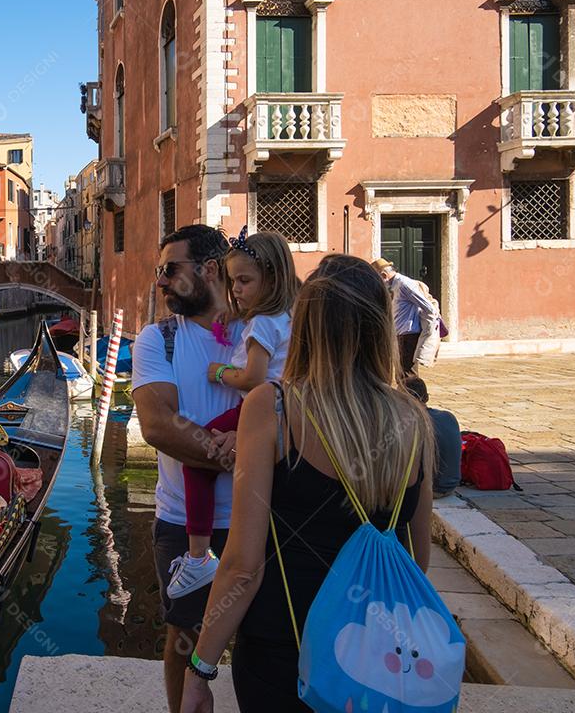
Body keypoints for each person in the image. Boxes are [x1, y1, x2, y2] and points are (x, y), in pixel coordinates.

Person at [180, 255, 434, 713]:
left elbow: (242, 565)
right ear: (379, 327)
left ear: (307, 325)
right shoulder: (413, 420)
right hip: (377, 653)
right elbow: (418, 557)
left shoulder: (273, 408)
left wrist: (200, 666)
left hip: (285, 650)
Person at [131, 224, 242, 713]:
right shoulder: (157, 340)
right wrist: (239, 452)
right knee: (182, 636)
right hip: (181, 522)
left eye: (169, 270)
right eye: (159, 271)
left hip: (255, 518)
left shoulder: (260, 334)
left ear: (210, 270)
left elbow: (296, 407)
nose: (160, 281)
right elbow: (158, 425)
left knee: (266, 634)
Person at [168, 229, 300, 599]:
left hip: (258, 408)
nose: (236, 289)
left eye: (244, 281)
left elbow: (254, 377)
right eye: (232, 281)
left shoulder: (261, 324)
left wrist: (219, 373)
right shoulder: (287, 315)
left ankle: (198, 557)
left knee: (197, 455)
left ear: (270, 280)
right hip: (283, 413)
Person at [370, 258, 436, 376]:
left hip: (408, 335)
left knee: (407, 374)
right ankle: (407, 394)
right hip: (399, 335)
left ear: (384, 275)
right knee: (400, 373)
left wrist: (427, 333)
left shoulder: (404, 284)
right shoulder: (393, 285)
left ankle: (416, 395)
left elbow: (429, 308)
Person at [404, 376, 461, 497]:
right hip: (452, 485)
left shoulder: (414, 424)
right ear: (427, 397)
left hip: (431, 489)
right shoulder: (449, 416)